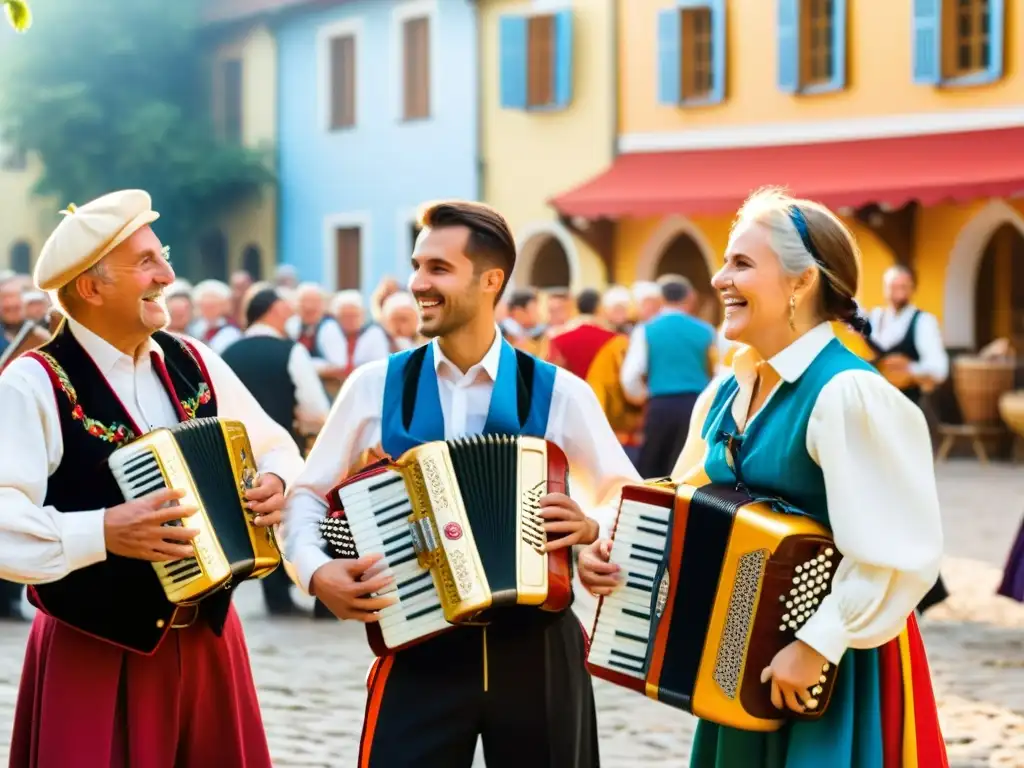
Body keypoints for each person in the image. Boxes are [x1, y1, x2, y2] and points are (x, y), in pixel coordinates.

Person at [578, 187, 949, 767]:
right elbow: (682, 503)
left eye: (742, 263)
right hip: (735, 667)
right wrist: (614, 547)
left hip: (836, 670)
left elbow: (896, 554)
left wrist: (815, 644)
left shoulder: (848, 393)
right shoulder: (728, 389)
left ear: (801, 282)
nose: (720, 277)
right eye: (725, 260)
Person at [282, 200, 640, 768]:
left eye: (438, 269)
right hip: (418, 646)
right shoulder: (373, 385)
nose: (417, 284)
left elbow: (626, 499)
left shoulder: (561, 391)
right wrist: (314, 568)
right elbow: (305, 492)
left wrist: (593, 529)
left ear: (491, 280)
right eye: (417, 265)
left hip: (539, 650)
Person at [0, 190, 305, 767]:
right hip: (95, 649)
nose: (167, 273)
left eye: (160, 255)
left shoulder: (193, 357)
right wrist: (102, 533)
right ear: (90, 288)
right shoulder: (34, 382)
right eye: (146, 262)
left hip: (213, 643)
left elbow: (276, 447)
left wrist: (277, 483)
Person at [221, 283, 332, 616]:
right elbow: (315, 409)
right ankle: (303, 589)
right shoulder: (290, 351)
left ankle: (275, 595)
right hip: (283, 451)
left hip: (234, 453)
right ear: (271, 310)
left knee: (257, 517)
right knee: (293, 515)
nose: (291, 312)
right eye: (285, 307)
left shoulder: (226, 351)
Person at [867, 264, 951, 613]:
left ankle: (925, 585)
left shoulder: (923, 322)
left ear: (912, 288)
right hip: (874, 416)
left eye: (903, 286)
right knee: (879, 497)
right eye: (892, 285)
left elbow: (939, 368)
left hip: (909, 416)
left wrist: (908, 370)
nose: (897, 291)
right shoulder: (873, 318)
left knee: (909, 498)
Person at [621, 277, 716, 479]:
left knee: (653, 470)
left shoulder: (646, 329)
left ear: (661, 299)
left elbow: (630, 376)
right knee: (688, 471)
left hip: (660, 406)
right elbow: (718, 370)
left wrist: (643, 397)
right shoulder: (706, 330)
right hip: (697, 405)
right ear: (690, 298)